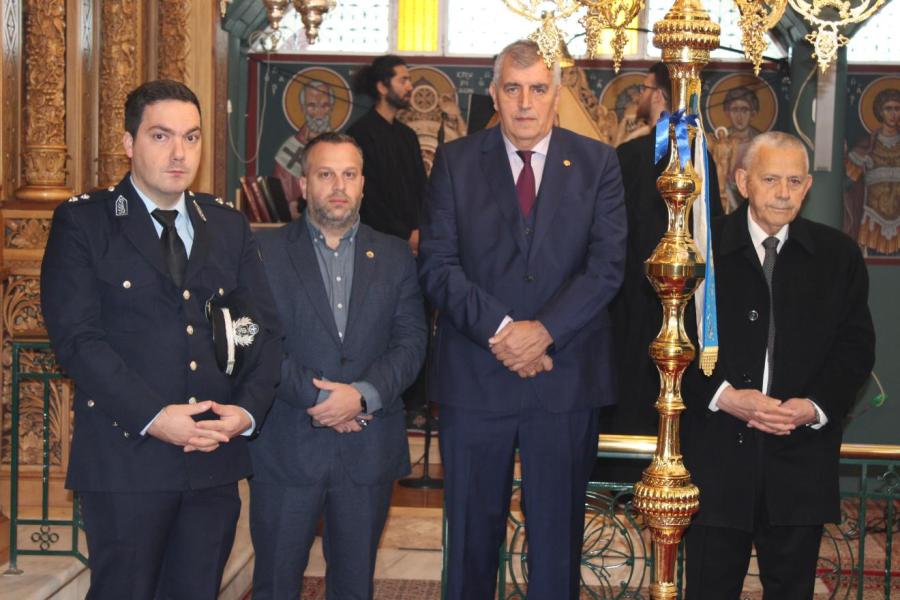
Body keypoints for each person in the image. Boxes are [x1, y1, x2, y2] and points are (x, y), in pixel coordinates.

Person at [40, 80, 282, 600]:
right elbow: (78, 340)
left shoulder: (227, 225)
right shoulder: (85, 222)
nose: (179, 153)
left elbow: (260, 332)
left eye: (191, 137)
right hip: (127, 461)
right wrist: (155, 417)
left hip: (213, 460)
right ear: (129, 143)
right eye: (161, 135)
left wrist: (245, 413)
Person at [418, 40, 627, 599]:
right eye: (513, 89)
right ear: (494, 94)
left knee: (557, 545)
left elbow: (607, 267)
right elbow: (437, 265)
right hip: (476, 376)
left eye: (538, 89)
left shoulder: (597, 163)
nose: (526, 103)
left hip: (565, 377)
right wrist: (504, 331)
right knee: (469, 542)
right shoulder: (457, 162)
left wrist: (544, 332)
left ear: (556, 94)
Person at [681, 131, 875, 598]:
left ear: (807, 186)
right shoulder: (698, 250)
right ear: (743, 181)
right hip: (716, 459)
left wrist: (814, 406)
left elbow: (855, 348)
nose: (783, 193)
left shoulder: (838, 256)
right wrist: (726, 397)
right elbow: (671, 340)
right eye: (770, 179)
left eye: (794, 181)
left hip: (800, 461)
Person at [248, 132, 427, 599]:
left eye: (349, 174)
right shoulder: (263, 252)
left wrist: (361, 397)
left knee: (353, 586)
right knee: (274, 584)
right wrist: (320, 397)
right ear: (303, 184)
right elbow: (255, 342)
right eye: (325, 174)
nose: (338, 186)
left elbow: (411, 343)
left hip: (367, 449)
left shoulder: (395, 256)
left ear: (363, 184)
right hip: (287, 446)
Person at [603, 63, 722, 484]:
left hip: (629, 302)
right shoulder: (701, 160)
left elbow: (608, 234)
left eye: (643, 88)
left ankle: (621, 481)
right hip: (685, 304)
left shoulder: (628, 156)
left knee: (630, 392)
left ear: (657, 94)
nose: (639, 96)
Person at [347, 54, 427, 256]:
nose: (410, 87)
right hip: (376, 241)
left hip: (414, 240)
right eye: (403, 80)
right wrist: (405, 234)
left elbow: (421, 188)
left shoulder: (407, 136)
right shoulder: (361, 134)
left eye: (409, 80)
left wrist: (420, 229)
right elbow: (368, 196)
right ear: (382, 87)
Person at [845, 87, 900, 256]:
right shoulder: (866, 146)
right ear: (880, 111)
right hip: (872, 217)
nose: (893, 114)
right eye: (888, 109)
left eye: (897, 109)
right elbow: (848, 183)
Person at [274, 80, 337, 209]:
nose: (319, 112)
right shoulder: (289, 150)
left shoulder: (341, 148)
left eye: (324, 105)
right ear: (303, 108)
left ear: (331, 108)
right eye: (312, 105)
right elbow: (282, 201)